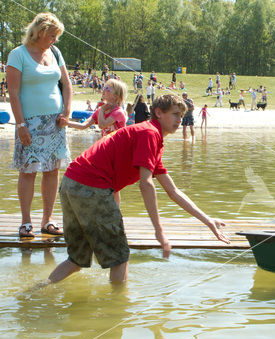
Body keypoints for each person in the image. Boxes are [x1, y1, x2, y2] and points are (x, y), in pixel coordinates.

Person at [46, 94, 230, 283]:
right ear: (158, 113)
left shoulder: (152, 139)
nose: (180, 120)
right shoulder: (149, 133)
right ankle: (118, 310)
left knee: (76, 260)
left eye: (182, 116)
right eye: (175, 114)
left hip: (71, 184)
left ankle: (36, 293)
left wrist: (208, 221)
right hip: (91, 187)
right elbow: (146, 184)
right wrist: (159, 231)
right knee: (120, 257)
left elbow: (173, 191)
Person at [6, 12, 71, 238]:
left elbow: (66, 84)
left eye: (56, 36)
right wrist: (21, 124)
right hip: (29, 123)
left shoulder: (55, 52)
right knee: (28, 171)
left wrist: (66, 112)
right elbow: (13, 93)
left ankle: (47, 221)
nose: (54, 40)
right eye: (52, 35)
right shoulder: (18, 54)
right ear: (40, 32)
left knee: (52, 171)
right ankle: (26, 223)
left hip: (55, 122)